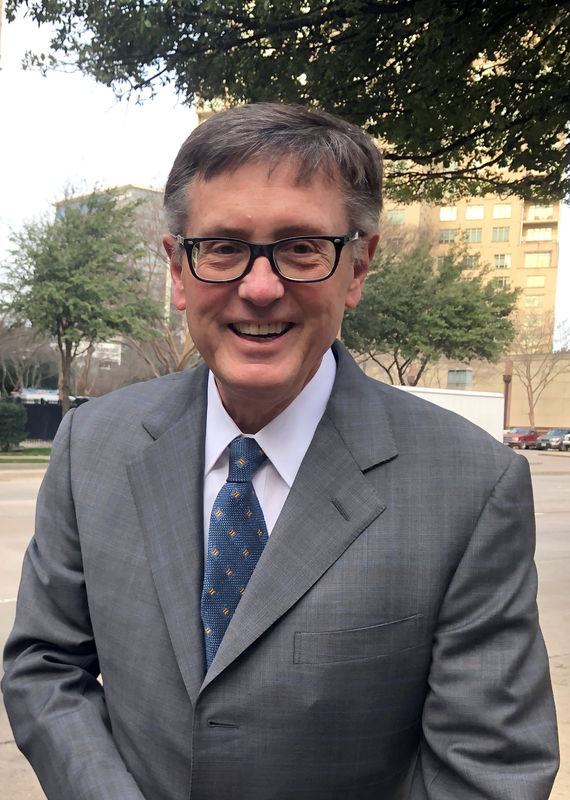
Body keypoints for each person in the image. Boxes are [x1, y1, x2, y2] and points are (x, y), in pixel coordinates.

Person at [2, 103, 558, 799]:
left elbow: (490, 771)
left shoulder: (473, 489)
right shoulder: (92, 445)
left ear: (357, 265)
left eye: (301, 247)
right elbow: (45, 666)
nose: (259, 288)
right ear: (178, 269)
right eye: (224, 247)